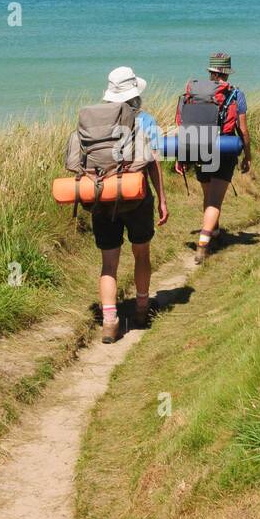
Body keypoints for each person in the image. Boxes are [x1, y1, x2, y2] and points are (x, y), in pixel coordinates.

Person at [92, 66, 168, 343]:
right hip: (136, 199)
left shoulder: (93, 122)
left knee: (108, 263)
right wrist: (162, 200)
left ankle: (110, 322)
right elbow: (154, 163)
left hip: (102, 200)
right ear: (135, 94)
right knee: (141, 253)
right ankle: (141, 309)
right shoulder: (144, 120)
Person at [175, 52, 250, 264]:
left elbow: (183, 125)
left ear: (211, 72)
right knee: (215, 201)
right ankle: (203, 244)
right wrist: (247, 155)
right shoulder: (236, 94)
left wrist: (183, 156)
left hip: (199, 147)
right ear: (226, 72)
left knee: (208, 195)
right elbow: (243, 130)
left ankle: (215, 233)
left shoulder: (194, 93)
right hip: (224, 148)